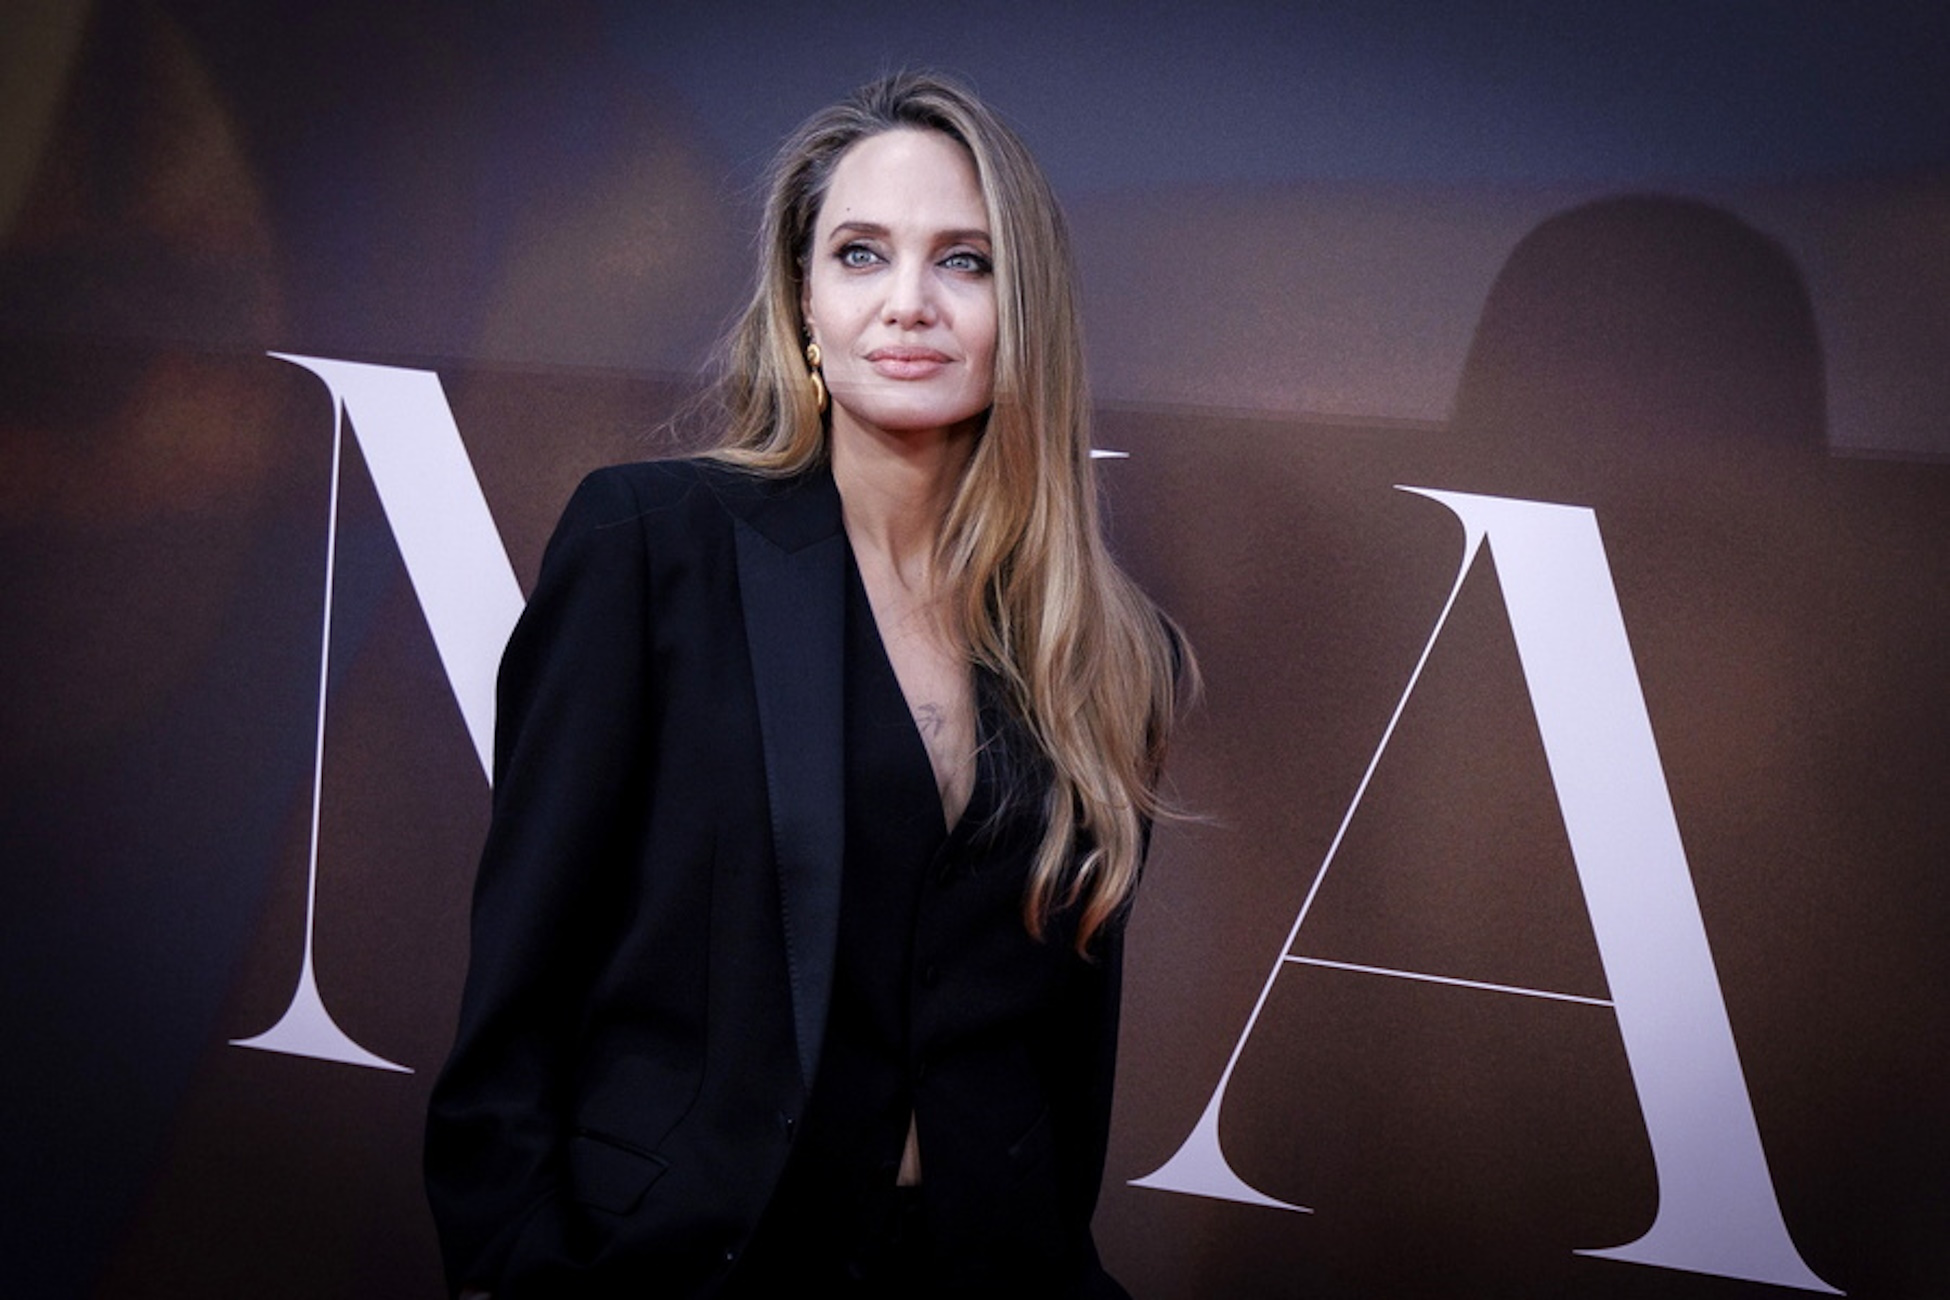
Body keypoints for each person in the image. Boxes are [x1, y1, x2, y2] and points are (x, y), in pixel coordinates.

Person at [424, 70, 1190, 1299]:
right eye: (860, 254)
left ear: (1026, 308)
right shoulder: (651, 547)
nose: (908, 304)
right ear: (803, 304)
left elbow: (1064, 1059)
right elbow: (519, 990)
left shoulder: (1102, 645)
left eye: (965, 262)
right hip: (694, 1260)